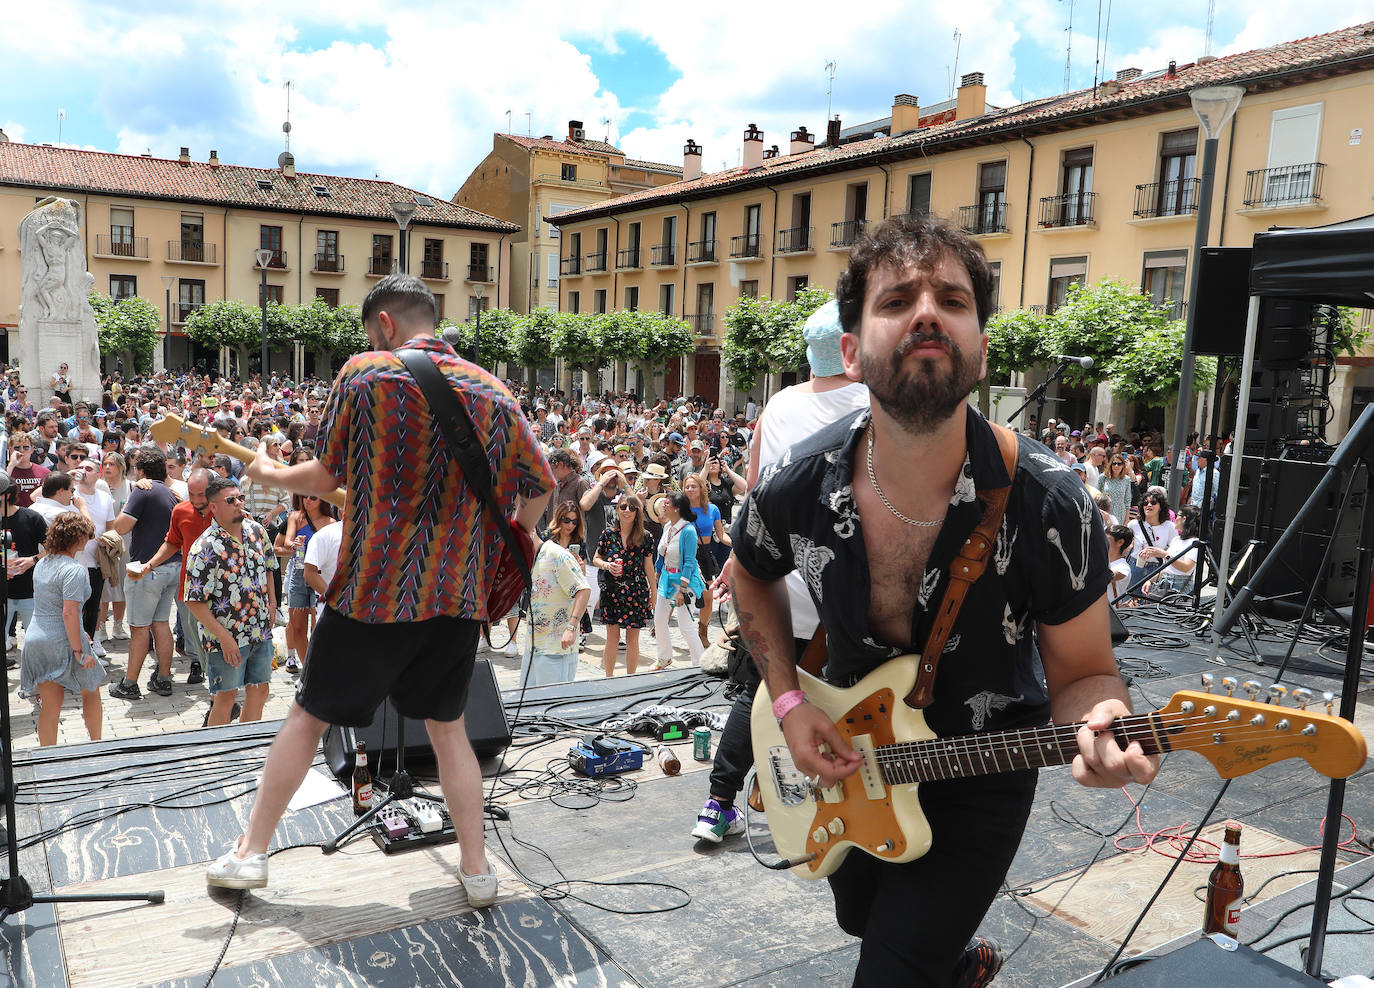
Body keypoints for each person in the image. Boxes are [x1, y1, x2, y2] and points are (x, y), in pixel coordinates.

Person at [729, 214, 1156, 985]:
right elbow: (748, 573)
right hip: (851, 759)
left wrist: (1102, 722)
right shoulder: (800, 482)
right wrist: (789, 706)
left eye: (952, 300)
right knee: (864, 917)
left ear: (981, 345)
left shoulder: (1051, 502)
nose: (927, 311)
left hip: (982, 769)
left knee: (891, 965)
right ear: (852, 351)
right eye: (897, 300)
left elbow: (1088, 674)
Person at [206, 274, 551, 905]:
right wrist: (508, 544)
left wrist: (268, 471)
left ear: (385, 325)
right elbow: (541, 485)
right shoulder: (495, 390)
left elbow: (327, 471)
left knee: (309, 716)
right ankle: (477, 871)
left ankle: (251, 854)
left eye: (372, 331)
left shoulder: (367, 372)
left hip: (375, 589)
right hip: (456, 596)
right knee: (449, 729)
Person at [691, 297, 870, 844]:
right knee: (864, 697)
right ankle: (847, 806)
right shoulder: (873, 402)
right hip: (847, 593)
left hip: (776, 587)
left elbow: (753, 499)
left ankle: (718, 805)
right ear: (854, 347)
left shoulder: (778, 405)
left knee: (764, 693)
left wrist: (739, 567)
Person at [183, 477, 279, 726]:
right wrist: (224, 638)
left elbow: (269, 567)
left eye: (240, 498)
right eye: (230, 500)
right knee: (225, 700)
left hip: (259, 630)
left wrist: (272, 605)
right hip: (226, 637)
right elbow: (194, 600)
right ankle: (219, 757)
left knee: (260, 692)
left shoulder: (256, 530)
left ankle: (247, 745)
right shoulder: (205, 547)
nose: (238, 503)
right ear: (213, 507)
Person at [19, 511, 101, 746]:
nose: (90, 538)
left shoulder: (43, 563)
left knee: (50, 708)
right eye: (88, 534)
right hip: (61, 640)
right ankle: (98, 747)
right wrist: (80, 651)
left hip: (36, 637)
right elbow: (68, 613)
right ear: (78, 538)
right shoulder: (74, 569)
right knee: (91, 692)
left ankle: (47, 759)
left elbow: (50, 604)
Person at [110, 447, 183, 700]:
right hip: (172, 566)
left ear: (140, 470)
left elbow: (120, 527)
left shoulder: (143, 490)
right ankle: (163, 679)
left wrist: (127, 502)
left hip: (148, 569)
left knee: (139, 628)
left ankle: (129, 684)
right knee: (161, 623)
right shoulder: (170, 492)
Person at [592, 492, 655, 676]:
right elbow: (596, 558)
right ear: (617, 509)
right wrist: (606, 565)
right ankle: (609, 678)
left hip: (636, 590)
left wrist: (654, 591)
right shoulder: (608, 534)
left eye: (631, 508)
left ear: (637, 513)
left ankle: (630, 679)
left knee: (632, 639)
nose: (627, 511)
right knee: (612, 637)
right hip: (612, 590)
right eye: (623, 507)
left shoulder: (645, 536)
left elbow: (648, 565)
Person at [520, 521, 590, 687]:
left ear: (530, 532)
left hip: (557, 649)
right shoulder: (531, 559)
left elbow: (583, 590)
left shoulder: (557, 555)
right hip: (533, 646)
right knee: (529, 705)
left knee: (554, 705)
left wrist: (571, 627)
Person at [279, 491, 336, 674]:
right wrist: (294, 543)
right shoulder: (295, 516)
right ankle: (307, 672)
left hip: (319, 575)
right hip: (298, 573)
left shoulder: (331, 522)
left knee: (317, 627)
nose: (307, 500)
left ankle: (317, 669)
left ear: (322, 499)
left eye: (313, 496)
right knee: (297, 627)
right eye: (304, 496)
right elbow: (286, 541)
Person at [650, 492, 705, 671]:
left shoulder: (688, 531)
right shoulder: (668, 527)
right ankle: (664, 657)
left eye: (667, 503)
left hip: (683, 582)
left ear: (677, 508)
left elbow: (689, 562)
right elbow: (661, 553)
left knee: (685, 625)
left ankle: (700, 663)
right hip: (666, 578)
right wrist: (658, 575)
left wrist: (682, 589)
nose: (663, 505)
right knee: (659, 620)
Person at [682, 473, 728, 648]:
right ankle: (661, 624)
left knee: (708, 598)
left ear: (701, 488)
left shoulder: (713, 509)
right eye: (687, 487)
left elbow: (721, 535)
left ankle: (702, 633)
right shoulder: (680, 509)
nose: (690, 489)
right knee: (676, 594)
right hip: (685, 553)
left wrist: (737, 542)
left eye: (694, 486)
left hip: (705, 554)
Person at [2, 486, 48, 658]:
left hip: (30, 591)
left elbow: (53, 546)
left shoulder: (30, 517)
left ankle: (36, 680)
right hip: (3, 593)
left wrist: (33, 560)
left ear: (7, 495)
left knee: (35, 644)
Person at [1128, 492, 1178, 591]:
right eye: (1145, 503)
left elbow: (1176, 551)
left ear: (1160, 507)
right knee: (1129, 602)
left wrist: (1160, 553)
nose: (1149, 505)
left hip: (1157, 569)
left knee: (1152, 603)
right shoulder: (1133, 524)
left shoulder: (1169, 526)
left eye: (1153, 502)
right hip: (1135, 567)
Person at [1099, 452, 1133, 530]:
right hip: (1106, 513)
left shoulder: (1126, 479)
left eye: (1119, 464)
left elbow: (1127, 501)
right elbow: (1097, 496)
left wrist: (1127, 520)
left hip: (1120, 514)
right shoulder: (1103, 478)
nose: (1116, 466)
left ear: (1123, 466)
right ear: (1110, 465)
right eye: (1114, 463)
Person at [1105, 524, 1134, 605]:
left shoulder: (1123, 567)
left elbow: (1106, 576)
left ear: (1120, 542)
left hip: (1109, 613)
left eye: (1106, 539)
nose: (1102, 541)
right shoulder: (1101, 560)